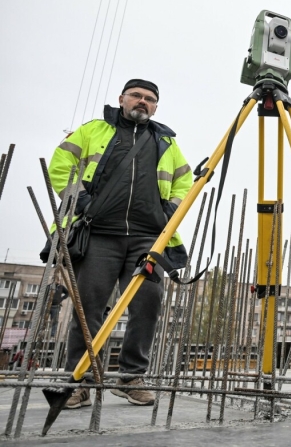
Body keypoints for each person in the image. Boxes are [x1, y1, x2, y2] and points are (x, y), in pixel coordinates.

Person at [47, 79, 191, 409]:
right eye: (136, 96)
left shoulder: (165, 141)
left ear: (156, 106)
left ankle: (130, 377)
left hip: (146, 237)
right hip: (99, 233)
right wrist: (79, 200)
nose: (142, 102)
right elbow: (60, 166)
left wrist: (169, 210)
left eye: (150, 99)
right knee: (89, 307)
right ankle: (79, 380)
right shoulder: (93, 130)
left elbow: (184, 181)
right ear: (121, 99)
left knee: (147, 303)